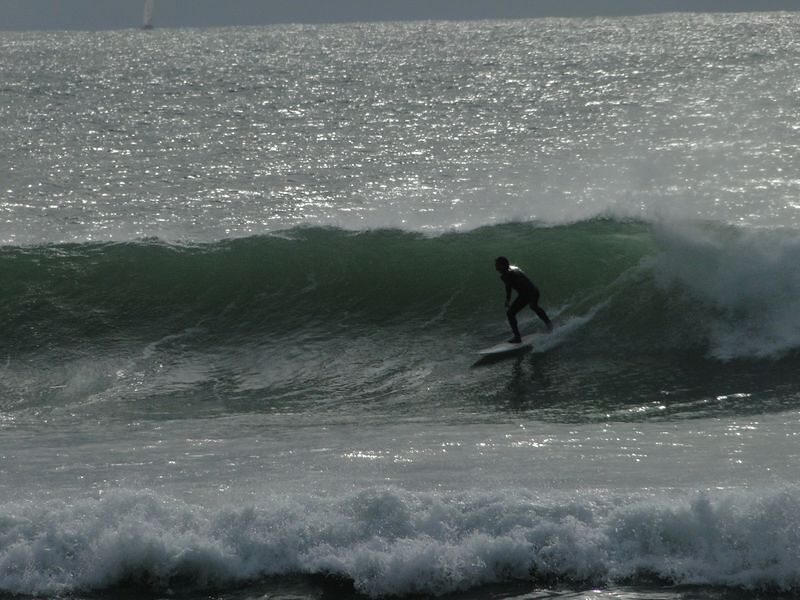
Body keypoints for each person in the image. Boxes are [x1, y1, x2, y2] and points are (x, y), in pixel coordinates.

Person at [495, 256, 553, 343]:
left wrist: (508, 299)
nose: (496, 267)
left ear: (502, 265)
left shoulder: (506, 275)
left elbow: (508, 287)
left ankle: (517, 338)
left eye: (497, 265)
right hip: (534, 290)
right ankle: (549, 325)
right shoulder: (515, 268)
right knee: (534, 307)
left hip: (527, 293)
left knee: (510, 313)